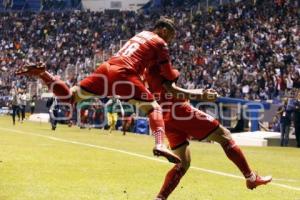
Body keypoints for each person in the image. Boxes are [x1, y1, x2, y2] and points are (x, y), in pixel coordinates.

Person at [15, 17, 202, 164]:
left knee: (71, 97)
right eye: (170, 35)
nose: (170, 39)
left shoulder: (141, 34)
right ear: (163, 30)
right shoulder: (160, 42)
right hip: (125, 73)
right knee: (154, 108)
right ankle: (160, 144)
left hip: (107, 67)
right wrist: (175, 73)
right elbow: (168, 74)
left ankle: (44, 74)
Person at [144, 65, 272, 200]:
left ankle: (160, 198)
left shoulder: (145, 69)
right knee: (225, 135)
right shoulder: (158, 57)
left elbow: (167, 91)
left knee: (183, 163)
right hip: (180, 111)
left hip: (165, 117)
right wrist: (201, 95)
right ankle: (251, 177)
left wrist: (201, 90)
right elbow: (171, 90)